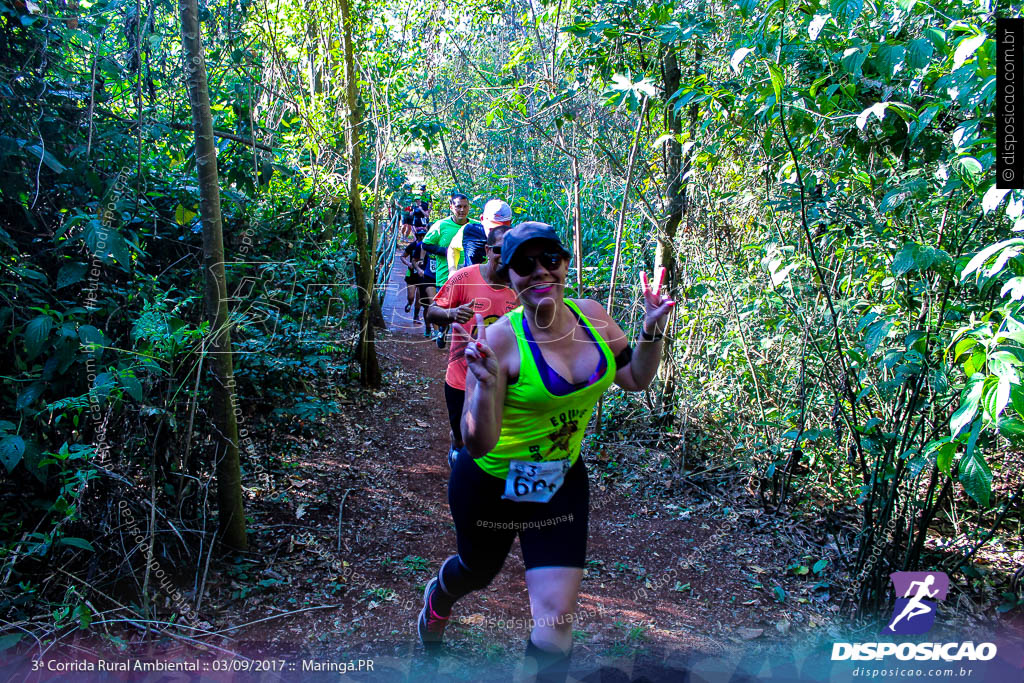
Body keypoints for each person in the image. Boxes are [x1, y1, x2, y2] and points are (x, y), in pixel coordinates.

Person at [416, 222, 675, 683]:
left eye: (549, 260)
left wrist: (652, 331)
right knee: (479, 570)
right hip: (490, 484)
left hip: (557, 482)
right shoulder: (499, 341)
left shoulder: (594, 317)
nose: (540, 272)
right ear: (508, 275)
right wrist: (485, 386)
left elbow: (635, 379)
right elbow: (476, 442)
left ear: (565, 264)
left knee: (555, 619)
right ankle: (439, 598)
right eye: (524, 264)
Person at [427, 226, 518, 470]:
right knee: (461, 435)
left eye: (511, 250)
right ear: (488, 250)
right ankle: (456, 447)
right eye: (499, 250)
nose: (504, 256)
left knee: (490, 438)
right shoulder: (464, 277)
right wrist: (452, 313)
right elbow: (431, 311)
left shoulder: (519, 287)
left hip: (501, 379)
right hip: (460, 378)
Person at [422, 193, 471, 348]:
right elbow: (426, 244)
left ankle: (464, 342)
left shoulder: (474, 226)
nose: (462, 210)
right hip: (445, 276)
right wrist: (446, 251)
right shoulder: (441, 225)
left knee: (467, 309)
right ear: (451, 207)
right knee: (444, 309)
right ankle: (442, 330)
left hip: (469, 277)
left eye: (465, 206)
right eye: (458, 206)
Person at [447, 199, 513, 273]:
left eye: (501, 229)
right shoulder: (470, 231)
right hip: (472, 281)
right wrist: (452, 270)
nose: (496, 234)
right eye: (491, 229)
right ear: (482, 219)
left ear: (510, 223)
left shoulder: (515, 238)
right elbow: (452, 248)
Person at [400, 227, 429, 323]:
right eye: (420, 235)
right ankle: (409, 303)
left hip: (422, 275)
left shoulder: (428, 246)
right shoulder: (412, 246)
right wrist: (408, 264)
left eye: (423, 235)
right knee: (411, 296)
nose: (422, 237)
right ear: (417, 236)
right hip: (411, 274)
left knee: (419, 298)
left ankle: (416, 316)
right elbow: (403, 256)